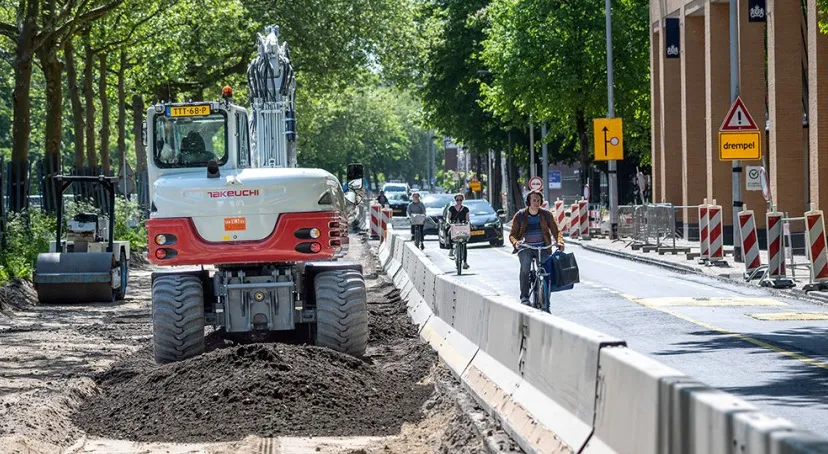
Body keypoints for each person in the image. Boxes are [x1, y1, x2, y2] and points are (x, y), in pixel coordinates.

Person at [509, 191, 564, 305]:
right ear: (528, 201)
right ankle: (524, 297)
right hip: (525, 248)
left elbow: (556, 230)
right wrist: (516, 243)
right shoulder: (520, 215)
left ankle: (545, 297)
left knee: (547, 270)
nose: (536, 202)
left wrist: (560, 242)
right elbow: (512, 234)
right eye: (534, 200)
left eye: (538, 200)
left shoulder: (546, 215)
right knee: (525, 268)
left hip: (543, 247)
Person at [446, 193, 470, 269]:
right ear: (455, 200)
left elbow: (467, 219)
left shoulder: (466, 209)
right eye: (457, 200)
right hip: (454, 226)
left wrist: (468, 224)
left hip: (462, 228)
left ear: (463, 200)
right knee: (450, 232)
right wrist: (448, 222)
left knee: (464, 243)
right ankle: (451, 249)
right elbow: (448, 217)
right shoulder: (451, 208)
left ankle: (465, 262)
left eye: (460, 199)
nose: (459, 201)